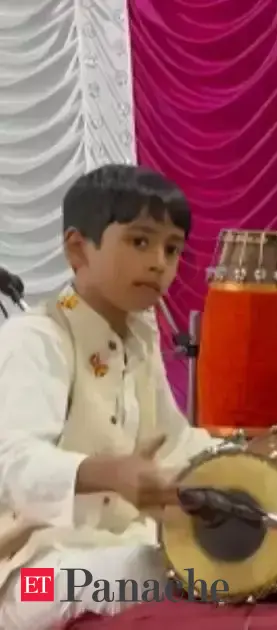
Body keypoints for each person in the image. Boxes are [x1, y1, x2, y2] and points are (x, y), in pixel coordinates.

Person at [0, 165, 220, 629]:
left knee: (221, 555)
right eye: (140, 242)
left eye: (172, 248)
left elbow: (176, 440)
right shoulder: (35, 337)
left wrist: (253, 458)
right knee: (165, 571)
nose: (160, 262)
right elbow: (11, 462)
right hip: (29, 572)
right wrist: (104, 473)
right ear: (78, 249)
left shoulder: (139, 339)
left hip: (124, 547)